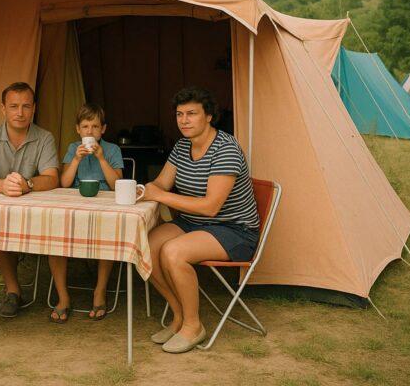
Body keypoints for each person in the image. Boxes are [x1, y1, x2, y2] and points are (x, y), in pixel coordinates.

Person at [143, 87, 259, 353]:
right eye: (179, 114)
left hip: (234, 229)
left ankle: (194, 326)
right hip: (194, 223)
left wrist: (161, 195)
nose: (184, 120)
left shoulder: (225, 148)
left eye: (192, 114)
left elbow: (210, 207)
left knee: (174, 252)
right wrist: (143, 190)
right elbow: (162, 183)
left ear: (208, 116)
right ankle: (179, 316)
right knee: (146, 247)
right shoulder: (182, 146)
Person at [0, 82, 60, 317]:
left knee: (59, 222)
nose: (20, 113)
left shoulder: (44, 137)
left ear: (34, 108)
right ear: (3, 109)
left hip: (36, 212)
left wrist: (27, 185)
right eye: (14, 106)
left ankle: (61, 294)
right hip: (2, 214)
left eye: (26, 106)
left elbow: (52, 178)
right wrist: (3, 186)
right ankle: (13, 290)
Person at [48, 102, 124, 323]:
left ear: (103, 129)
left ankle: (99, 292)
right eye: (85, 127)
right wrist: (77, 159)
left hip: (104, 202)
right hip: (75, 202)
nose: (90, 131)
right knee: (54, 237)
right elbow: (63, 183)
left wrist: (101, 158)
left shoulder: (112, 150)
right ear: (78, 130)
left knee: (107, 236)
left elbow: (117, 184)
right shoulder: (73, 148)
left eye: (95, 127)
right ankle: (63, 297)